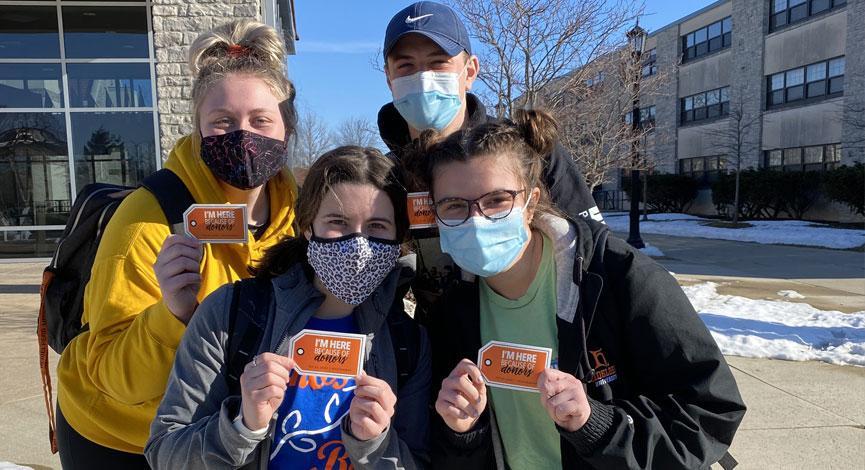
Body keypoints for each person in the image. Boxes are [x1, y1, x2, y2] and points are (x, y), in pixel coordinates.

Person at [418, 110, 746, 468]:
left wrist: (596, 424)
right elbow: (449, 449)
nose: (476, 220)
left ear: (530, 202)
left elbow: (709, 413)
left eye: (497, 200)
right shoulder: (451, 312)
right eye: (453, 206)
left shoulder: (618, 278)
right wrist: (461, 433)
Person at [55, 20, 300, 467]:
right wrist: (172, 315)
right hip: (121, 434)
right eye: (222, 122)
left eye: (261, 120)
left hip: (222, 429)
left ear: (287, 126)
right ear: (197, 130)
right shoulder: (149, 217)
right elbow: (114, 375)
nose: (242, 137)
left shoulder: (300, 215)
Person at [145, 146, 430, 469]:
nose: (358, 245)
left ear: (397, 238)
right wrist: (242, 426)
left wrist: (374, 444)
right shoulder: (232, 313)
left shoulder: (407, 343)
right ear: (308, 227)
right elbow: (165, 454)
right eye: (338, 222)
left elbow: (416, 461)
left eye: (377, 226)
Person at [378, 1, 604, 321]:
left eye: (438, 62)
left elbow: (591, 252)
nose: (423, 78)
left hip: (541, 340)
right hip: (443, 353)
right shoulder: (386, 179)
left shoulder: (528, 150)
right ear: (388, 77)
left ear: (469, 71)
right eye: (406, 66)